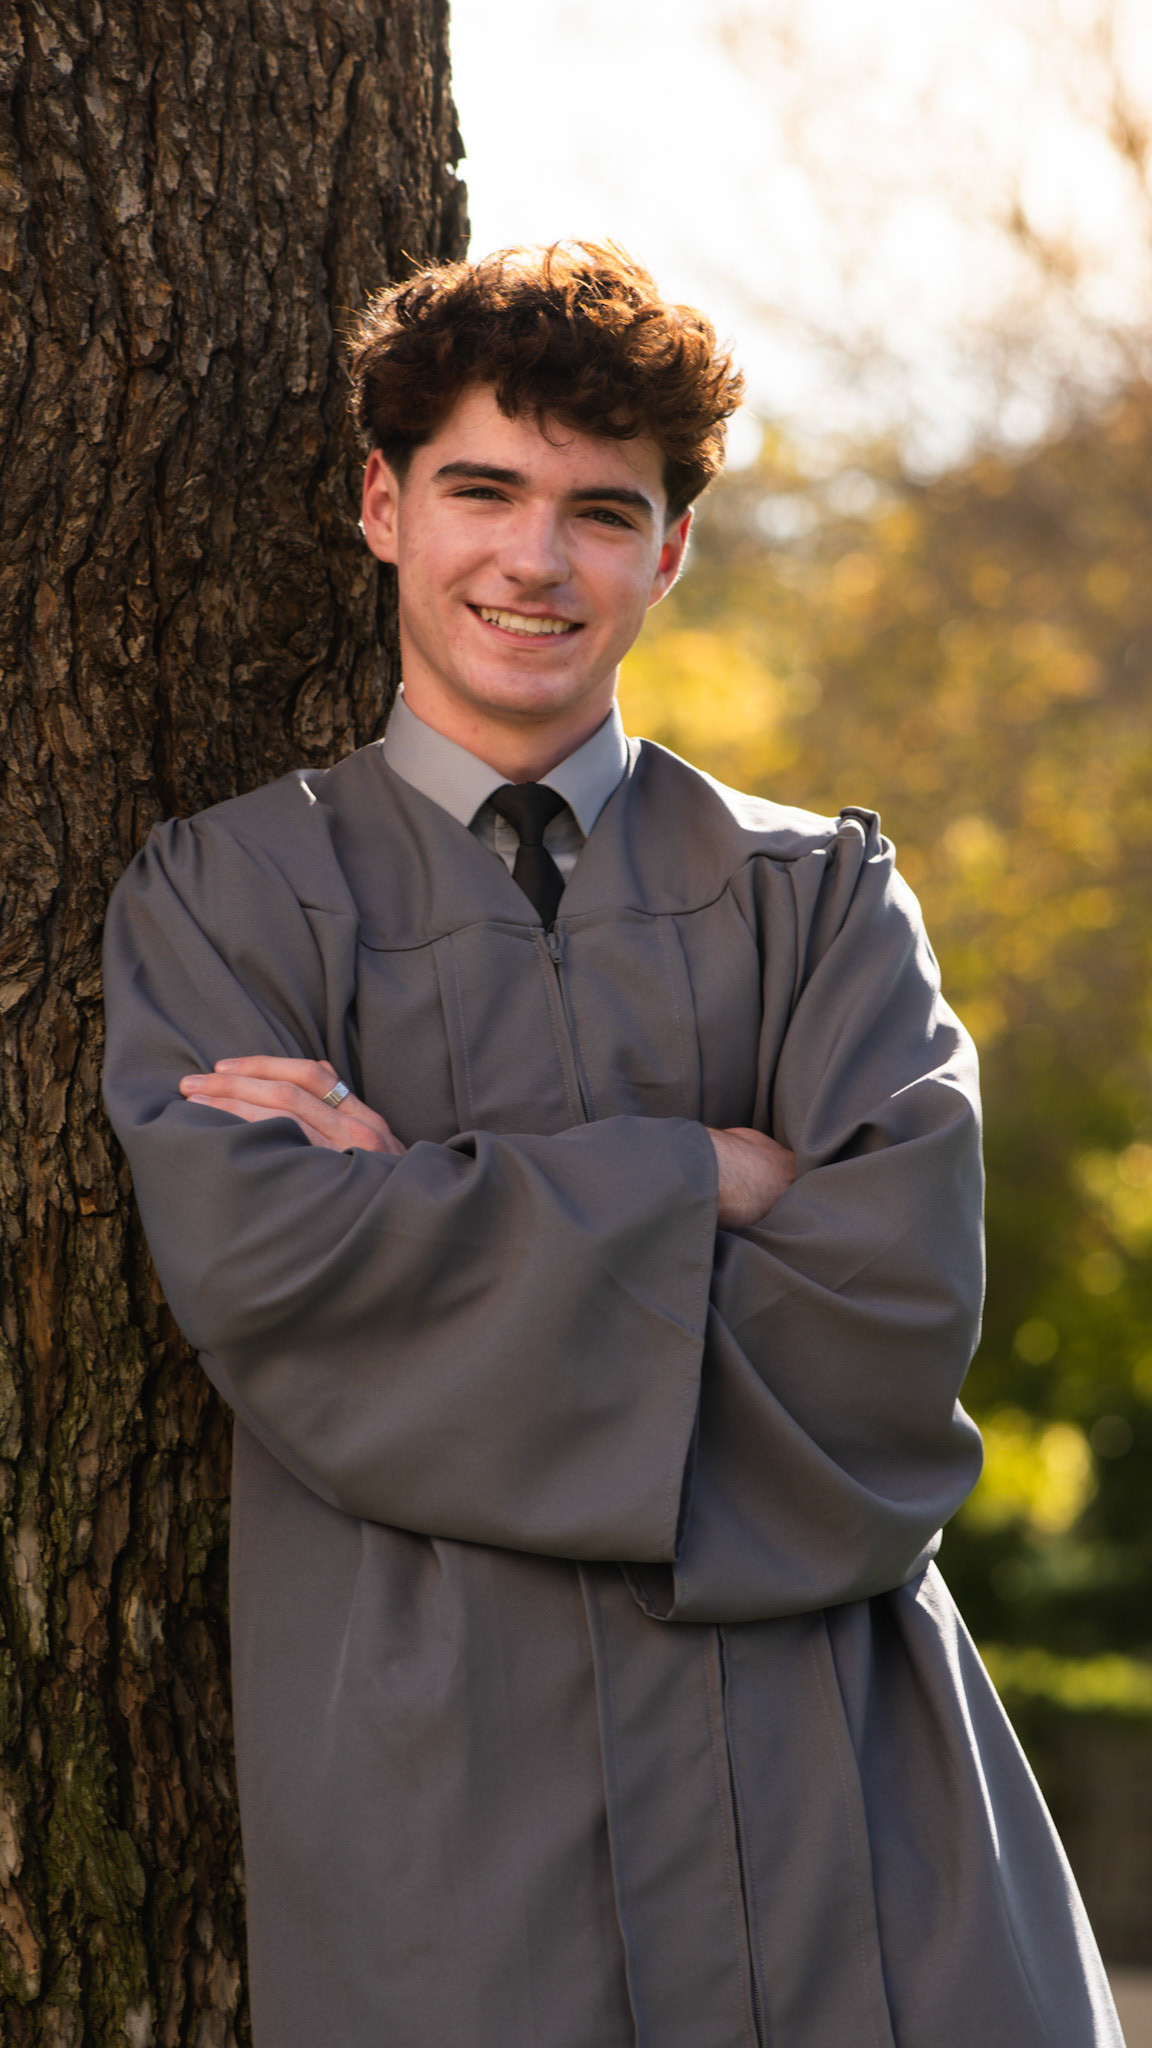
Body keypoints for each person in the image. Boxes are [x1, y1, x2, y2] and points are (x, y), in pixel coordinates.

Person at [102, 242, 1121, 2047]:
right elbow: (286, 1275)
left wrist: (432, 1206)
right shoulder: (229, 902)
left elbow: (888, 1315)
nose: (535, 560)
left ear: (670, 550)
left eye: (600, 511)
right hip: (455, 1813)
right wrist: (708, 1179)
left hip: (843, 1799)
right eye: (482, 491)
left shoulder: (819, 897)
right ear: (383, 507)